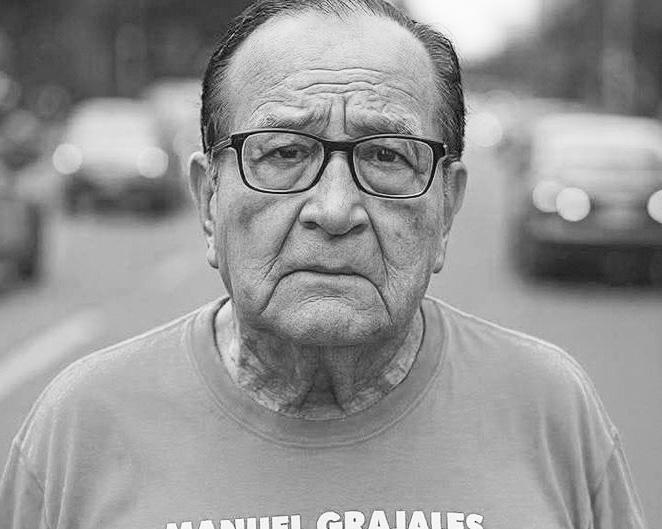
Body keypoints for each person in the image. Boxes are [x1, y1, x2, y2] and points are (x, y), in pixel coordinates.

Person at [0, 0, 648, 527]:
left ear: (447, 207)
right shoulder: (80, 427)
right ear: (208, 199)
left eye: (386, 156)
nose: (335, 209)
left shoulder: (551, 410)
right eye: (284, 152)